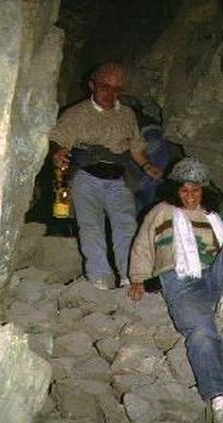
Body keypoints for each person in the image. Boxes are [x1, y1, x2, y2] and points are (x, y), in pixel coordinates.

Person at [128, 157, 223, 423]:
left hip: (217, 273)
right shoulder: (162, 211)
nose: (190, 196)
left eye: (196, 190)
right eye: (184, 190)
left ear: (204, 190)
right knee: (200, 332)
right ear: (175, 190)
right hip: (182, 280)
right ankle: (221, 400)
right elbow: (142, 244)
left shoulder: (219, 214)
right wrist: (138, 278)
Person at [49, 62, 163, 290]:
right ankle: (99, 277)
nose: (110, 94)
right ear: (92, 85)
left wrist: (148, 166)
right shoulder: (76, 114)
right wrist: (58, 152)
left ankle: (129, 276)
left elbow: (135, 148)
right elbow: (58, 139)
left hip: (118, 179)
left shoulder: (127, 115)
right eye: (105, 87)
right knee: (91, 226)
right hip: (86, 177)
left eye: (117, 89)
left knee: (126, 226)